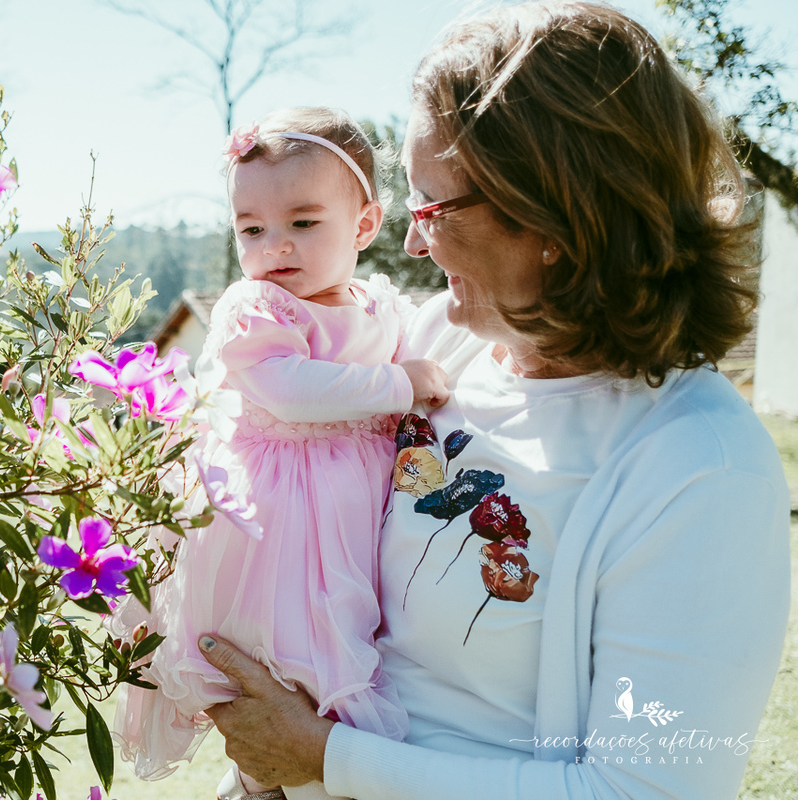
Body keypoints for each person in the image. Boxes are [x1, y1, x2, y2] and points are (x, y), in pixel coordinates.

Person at [196, 4, 792, 800]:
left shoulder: (700, 467)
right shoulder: (434, 342)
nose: (409, 243)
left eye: (431, 207)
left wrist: (323, 757)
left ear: (552, 215)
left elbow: (646, 790)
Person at [110, 107, 450, 795]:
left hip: (352, 513)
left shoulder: (382, 305)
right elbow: (290, 391)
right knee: (290, 653)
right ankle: (268, 779)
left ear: (362, 225)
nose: (275, 246)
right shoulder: (255, 309)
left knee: (347, 646)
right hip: (279, 522)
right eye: (251, 228)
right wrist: (398, 383)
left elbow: (431, 364)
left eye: (302, 222)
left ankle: (285, 778)